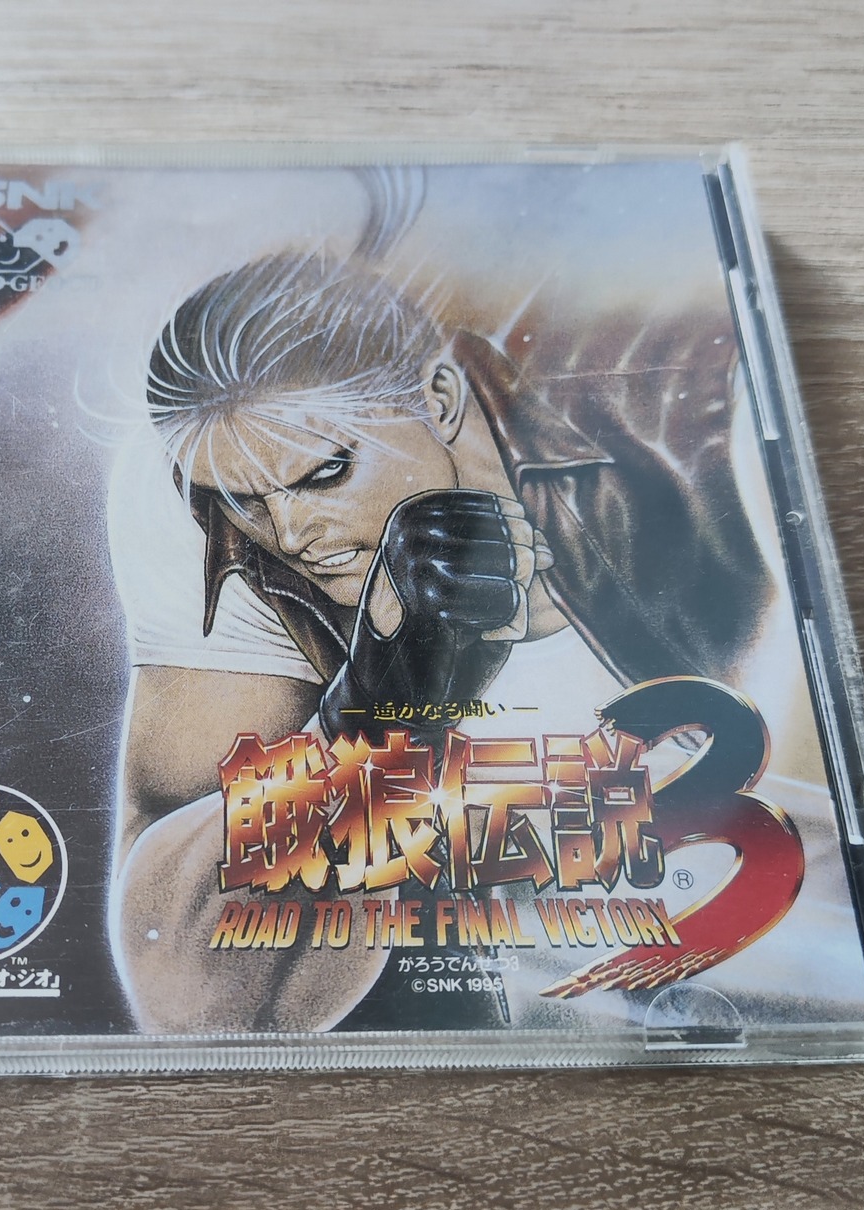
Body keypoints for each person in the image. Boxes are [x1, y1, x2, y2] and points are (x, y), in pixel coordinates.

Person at [106, 250, 777, 1033]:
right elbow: (198, 997)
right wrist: (370, 722)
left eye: (326, 473)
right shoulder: (200, 476)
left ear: (441, 399)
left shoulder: (692, 423)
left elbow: (810, 827)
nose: (288, 534)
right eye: (245, 500)